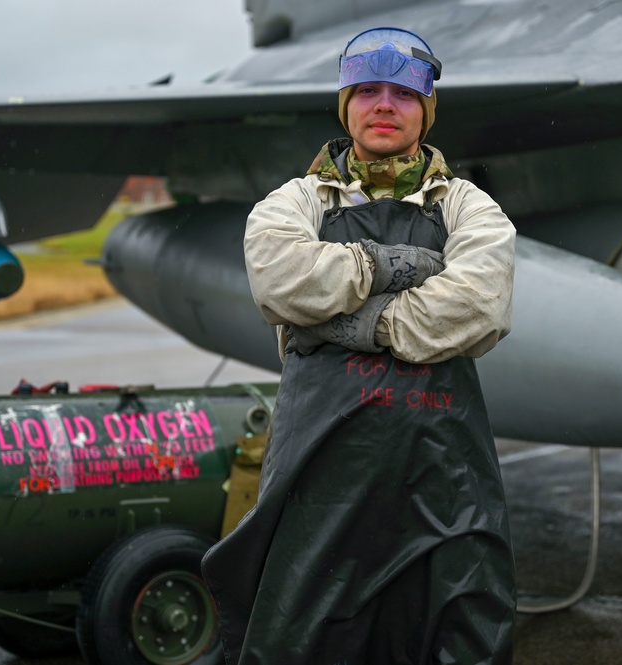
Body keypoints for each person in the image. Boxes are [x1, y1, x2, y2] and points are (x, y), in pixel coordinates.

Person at [202, 27, 517, 664]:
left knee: (457, 631)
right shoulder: (293, 204)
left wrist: (361, 325)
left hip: (443, 481)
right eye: (367, 90)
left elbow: (478, 305)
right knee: (304, 636)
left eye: (403, 93)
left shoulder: (469, 208)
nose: (384, 105)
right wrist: (382, 264)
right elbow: (283, 279)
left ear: (425, 109)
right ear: (345, 104)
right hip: (320, 481)